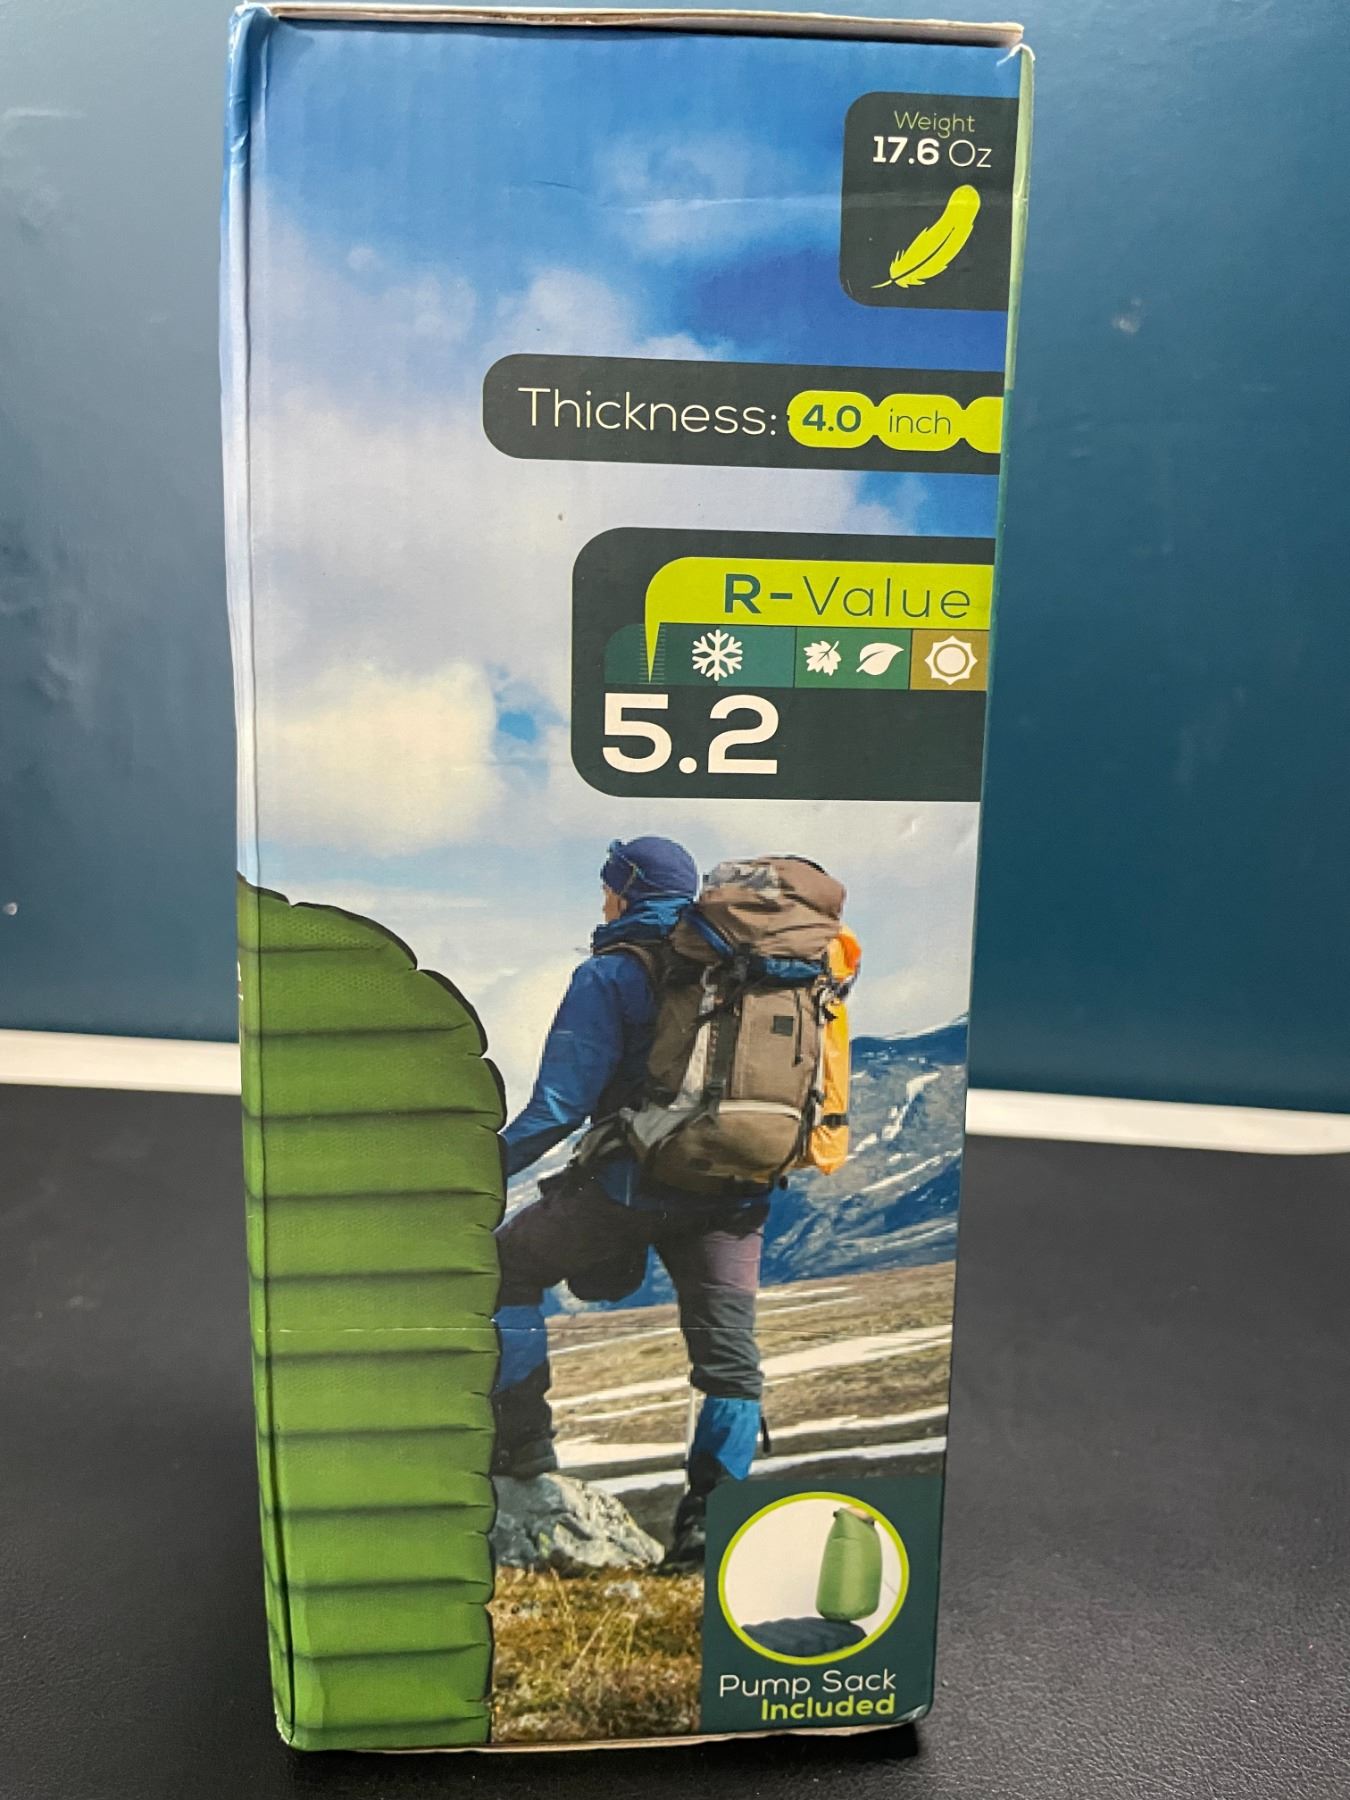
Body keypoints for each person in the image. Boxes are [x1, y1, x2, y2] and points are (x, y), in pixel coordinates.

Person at [492, 835, 771, 1569]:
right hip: (735, 1189)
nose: (604, 901)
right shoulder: (758, 969)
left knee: (507, 1268)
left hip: (629, 1189)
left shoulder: (612, 972)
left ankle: (522, 1447)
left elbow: (558, 1106)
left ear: (625, 891)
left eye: (607, 887)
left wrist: (477, 1172)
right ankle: (709, 1529)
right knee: (729, 1361)